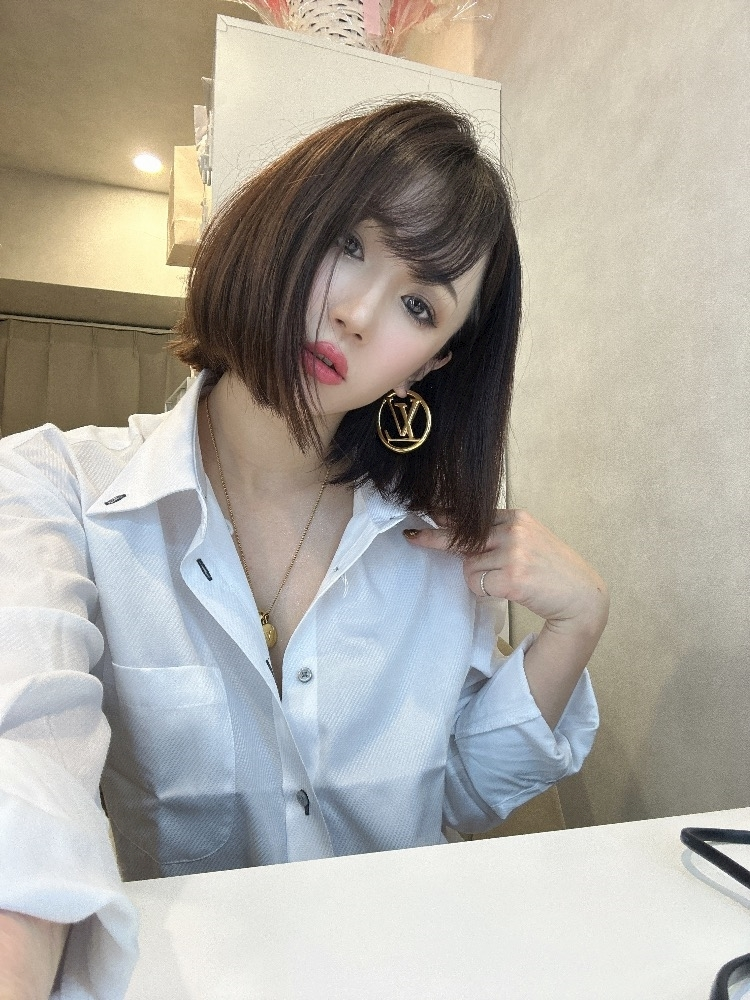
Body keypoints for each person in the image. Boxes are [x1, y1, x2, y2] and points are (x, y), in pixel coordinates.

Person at [0, 97, 608, 999]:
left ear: (431, 363)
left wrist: (578, 624)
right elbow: (23, 771)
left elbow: (453, 800)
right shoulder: (52, 488)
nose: (359, 314)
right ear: (284, 224)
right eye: (348, 244)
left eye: (418, 304)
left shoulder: (435, 542)